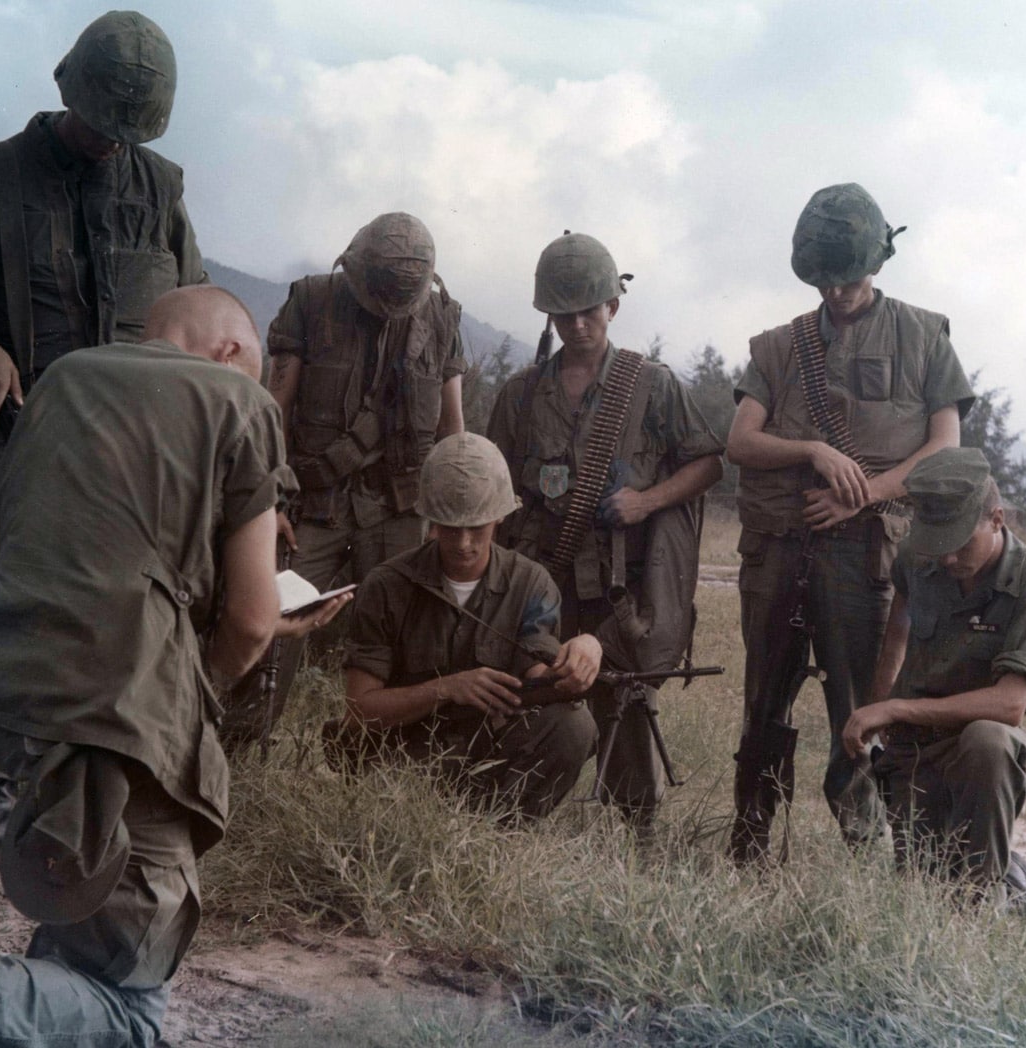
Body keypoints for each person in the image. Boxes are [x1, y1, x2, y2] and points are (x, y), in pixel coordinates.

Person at [0, 286, 351, 1047]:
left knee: (89, 911)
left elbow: (39, 534)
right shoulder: (239, 403)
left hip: (1, 697)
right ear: (231, 353)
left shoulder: (64, 382)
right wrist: (207, 684)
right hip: (122, 710)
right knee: (128, 1012)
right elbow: (247, 619)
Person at [0, 10, 208, 880]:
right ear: (68, 85)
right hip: (23, 440)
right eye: (105, 123)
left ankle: (99, 813)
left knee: (126, 633)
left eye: (131, 132)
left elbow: (197, 316)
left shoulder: (163, 190)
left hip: (133, 460)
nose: (115, 145)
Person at [726, 183, 975, 864]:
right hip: (780, 552)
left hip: (867, 557)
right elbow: (741, 442)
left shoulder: (924, 335)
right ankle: (749, 846)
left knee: (861, 712)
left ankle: (869, 856)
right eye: (825, 281)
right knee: (763, 710)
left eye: (852, 278)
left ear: (879, 264)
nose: (838, 293)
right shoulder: (780, 348)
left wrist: (863, 494)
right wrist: (811, 449)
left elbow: (943, 449)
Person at [486, 233, 724, 831]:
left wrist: (648, 501)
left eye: (589, 310)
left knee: (624, 698)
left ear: (613, 307)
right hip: (541, 579)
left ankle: (636, 832)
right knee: (531, 693)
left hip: (621, 585)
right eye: (563, 314)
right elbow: (493, 484)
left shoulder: (651, 386)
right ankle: (516, 818)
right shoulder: (520, 395)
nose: (577, 325)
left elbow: (707, 462)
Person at [222, 211, 467, 751]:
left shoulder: (442, 317)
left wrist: (448, 514)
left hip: (400, 509)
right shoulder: (311, 301)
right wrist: (270, 504)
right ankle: (239, 746)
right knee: (272, 615)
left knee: (405, 635)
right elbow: (273, 409)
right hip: (312, 504)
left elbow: (453, 426)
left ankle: (382, 757)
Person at [329, 433, 599, 820]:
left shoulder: (530, 583)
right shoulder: (386, 585)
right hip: (404, 757)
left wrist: (586, 648)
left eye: (478, 526)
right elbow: (360, 710)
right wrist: (447, 689)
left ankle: (501, 833)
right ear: (430, 521)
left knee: (574, 726)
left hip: (490, 750)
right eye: (450, 527)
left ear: (501, 517)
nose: (464, 543)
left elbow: (540, 673)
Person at [842, 447, 1026, 913]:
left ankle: (989, 898)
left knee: (989, 741)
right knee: (923, 896)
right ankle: (1008, 873)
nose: (948, 557)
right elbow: (896, 636)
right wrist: (879, 722)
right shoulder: (918, 560)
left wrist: (895, 708)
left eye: (962, 541)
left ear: (997, 519)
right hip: (915, 750)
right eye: (938, 542)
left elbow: (1009, 705)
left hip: (979, 755)